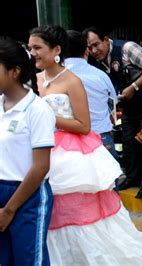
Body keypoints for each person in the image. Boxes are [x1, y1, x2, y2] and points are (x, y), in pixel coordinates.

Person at [28, 25, 142, 264]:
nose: (33, 53)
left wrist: (47, 118)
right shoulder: (36, 79)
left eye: (37, 47)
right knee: (51, 215)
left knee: (77, 212)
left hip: (70, 153)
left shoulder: (72, 80)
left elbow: (83, 125)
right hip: (43, 148)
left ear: (56, 49)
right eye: (31, 48)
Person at [84, 26, 142, 198]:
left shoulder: (127, 48)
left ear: (106, 39)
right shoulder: (97, 63)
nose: (94, 50)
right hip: (127, 104)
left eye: (96, 44)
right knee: (128, 141)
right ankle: (132, 177)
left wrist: (134, 87)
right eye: (89, 48)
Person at [0, 39, 55, 266]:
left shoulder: (37, 109)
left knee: (28, 259)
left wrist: (9, 209)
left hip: (28, 195)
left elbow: (41, 166)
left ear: (15, 72)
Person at [64, 30, 118, 159]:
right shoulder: (101, 75)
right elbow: (113, 103)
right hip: (101, 138)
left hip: (67, 143)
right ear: (86, 51)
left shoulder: (53, 78)